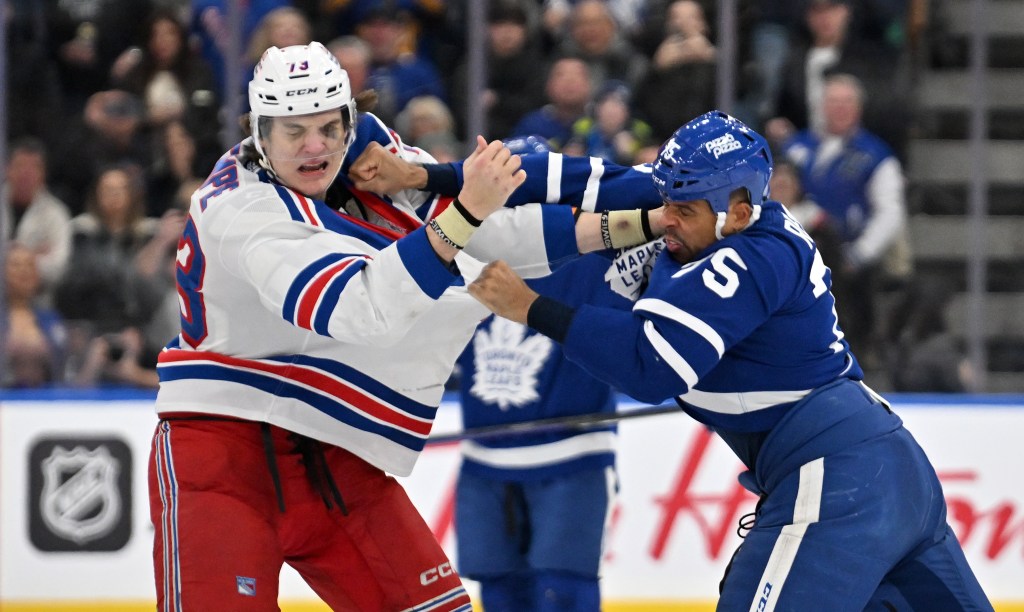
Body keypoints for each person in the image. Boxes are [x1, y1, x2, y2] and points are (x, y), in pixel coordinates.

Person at [147, 41, 661, 610]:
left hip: (335, 451)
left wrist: (638, 223)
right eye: (293, 132)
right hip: (223, 454)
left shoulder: (370, 151)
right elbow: (360, 309)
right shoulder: (241, 212)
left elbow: (493, 238)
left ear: (349, 119)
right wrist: (468, 209)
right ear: (260, 134)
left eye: (327, 126)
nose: (315, 146)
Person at [468, 111, 992, 610]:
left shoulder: (739, 255)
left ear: (735, 209)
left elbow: (647, 364)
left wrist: (531, 307)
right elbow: (594, 178)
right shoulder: (695, 216)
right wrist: (429, 176)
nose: (666, 218)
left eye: (683, 209)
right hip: (880, 466)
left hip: (837, 478)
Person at [451, 137, 650, 612]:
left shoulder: (597, 257)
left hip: (571, 460)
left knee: (563, 593)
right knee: (500, 593)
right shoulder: (461, 257)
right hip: (485, 458)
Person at [780, 73, 910, 363]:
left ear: (859, 107)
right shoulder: (794, 147)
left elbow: (890, 212)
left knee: (847, 328)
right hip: (794, 260)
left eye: (847, 102)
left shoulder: (875, 155)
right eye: (833, 101)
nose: (840, 108)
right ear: (821, 105)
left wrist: (858, 255)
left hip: (847, 268)